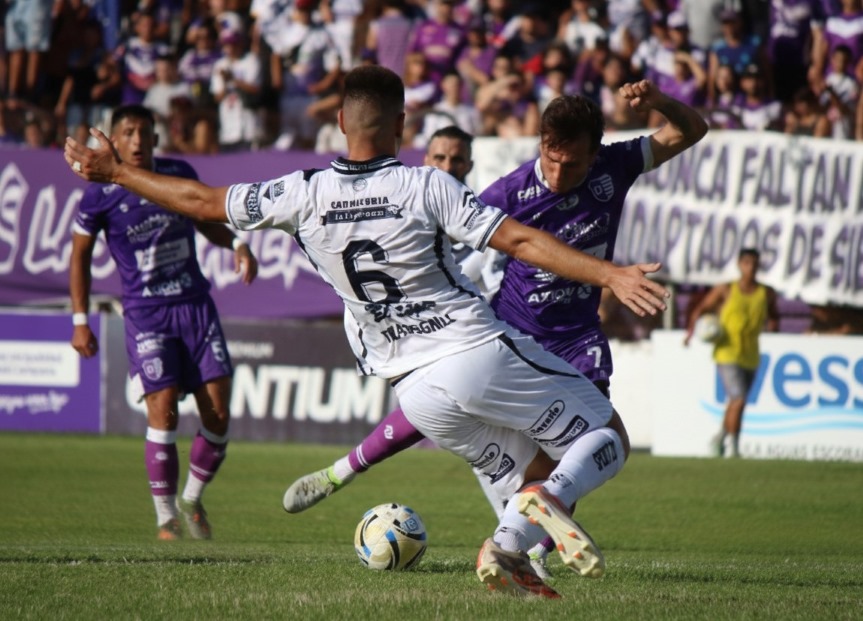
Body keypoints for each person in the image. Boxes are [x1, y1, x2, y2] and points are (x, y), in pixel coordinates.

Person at [66, 66, 671, 598]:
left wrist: (117, 171)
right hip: (471, 351)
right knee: (602, 433)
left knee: (527, 475)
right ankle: (553, 503)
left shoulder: (300, 193)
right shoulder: (427, 185)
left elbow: (199, 201)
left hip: (415, 392)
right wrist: (608, 273)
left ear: (338, 121)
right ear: (402, 124)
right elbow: (519, 239)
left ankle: (507, 551)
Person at [283, 81, 708, 575]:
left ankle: (521, 549)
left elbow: (691, 129)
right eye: (550, 160)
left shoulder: (617, 166)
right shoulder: (507, 194)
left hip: (577, 339)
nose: (558, 173)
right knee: (541, 455)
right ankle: (521, 545)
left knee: (579, 452)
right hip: (515, 335)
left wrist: (658, 103)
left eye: (572, 164)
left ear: (596, 153)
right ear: (540, 145)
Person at [68, 104, 259, 541]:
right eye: (129, 132)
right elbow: (78, 255)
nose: (137, 140)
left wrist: (237, 243)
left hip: (195, 305)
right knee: (164, 408)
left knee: (219, 413)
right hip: (146, 313)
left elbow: (206, 218)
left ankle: (192, 498)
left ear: (156, 138)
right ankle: (165, 518)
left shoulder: (177, 171)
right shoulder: (98, 192)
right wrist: (80, 321)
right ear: (114, 140)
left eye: (145, 132)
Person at [684, 248, 779, 458]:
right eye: (746, 263)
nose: (751, 268)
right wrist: (691, 332)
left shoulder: (766, 293)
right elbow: (702, 308)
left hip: (751, 353)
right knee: (739, 399)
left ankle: (719, 438)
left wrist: (773, 326)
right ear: (739, 265)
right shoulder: (726, 289)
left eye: (754, 264)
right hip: (727, 351)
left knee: (737, 402)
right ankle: (734, 448)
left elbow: (774, 316)